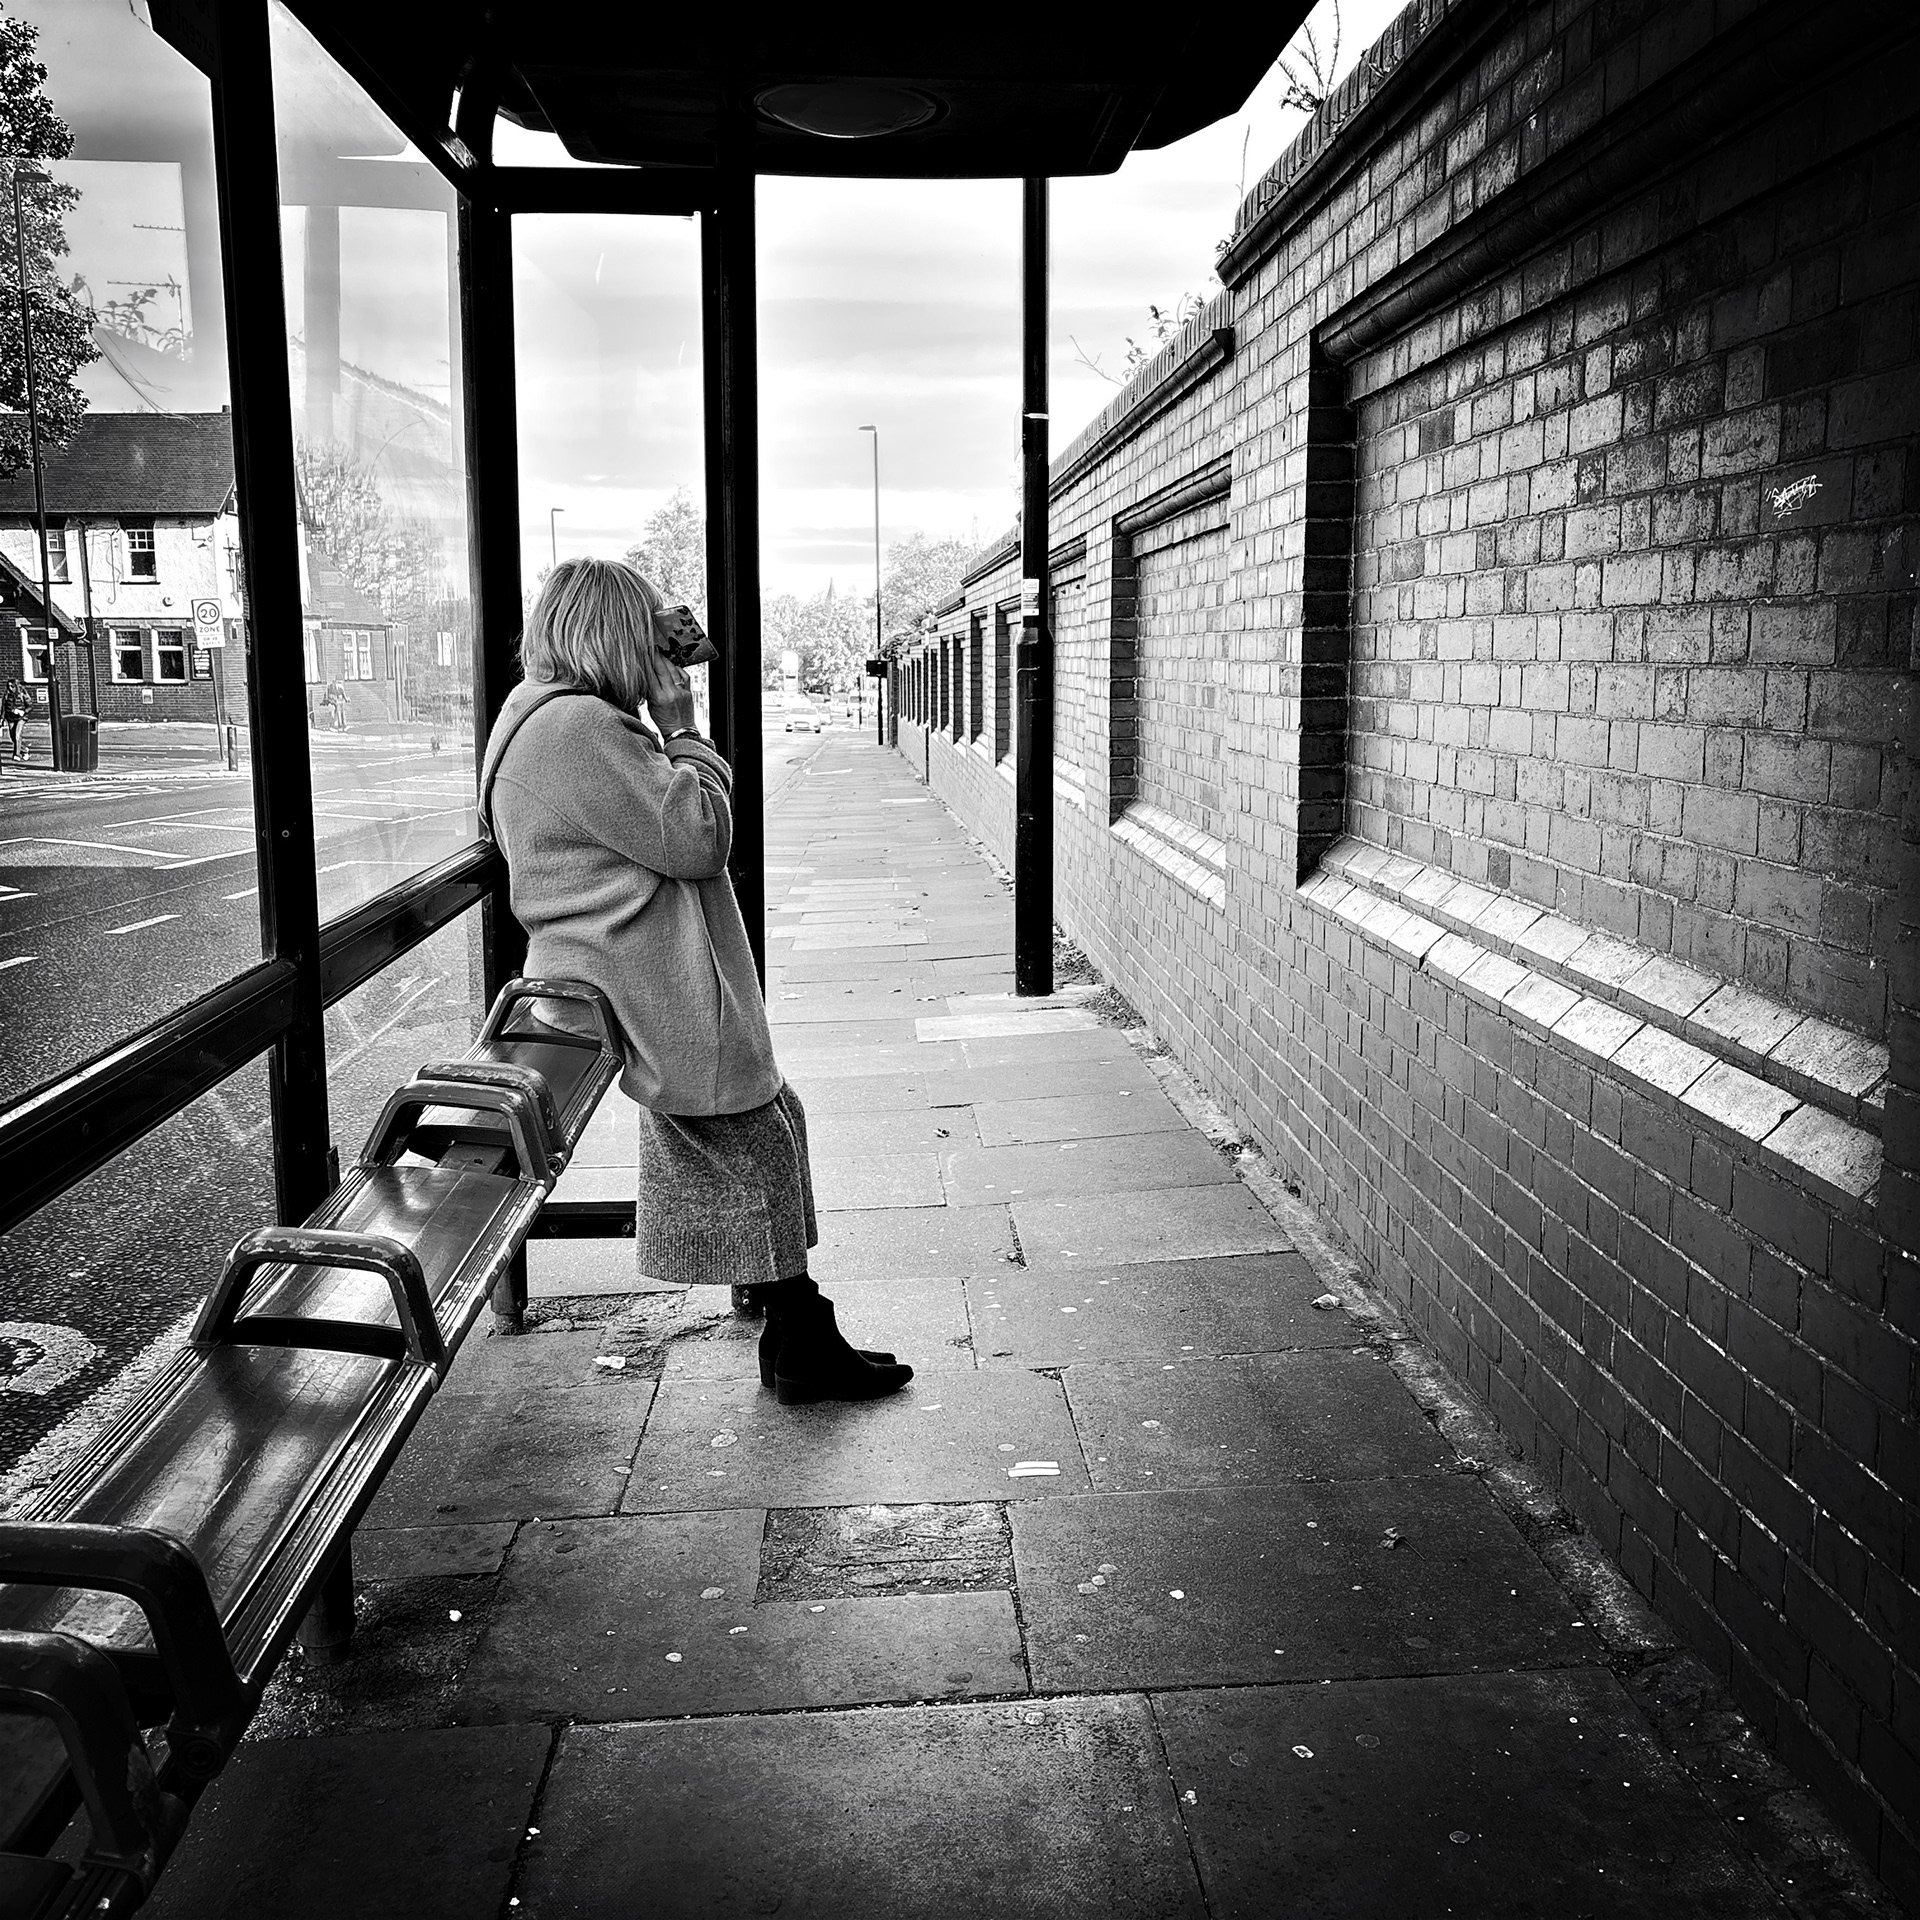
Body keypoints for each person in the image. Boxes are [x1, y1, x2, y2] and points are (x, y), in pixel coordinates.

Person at [479, 556, 911, 1406]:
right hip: (641, 974)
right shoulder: (579, 730)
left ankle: (798, 1326)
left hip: (625, 965)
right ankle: (800, 1337)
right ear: (609, 633)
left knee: (769, 1121)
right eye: (645, 628)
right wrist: (682, 731)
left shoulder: (551, 716)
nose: (660, 649)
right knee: (754, 1136)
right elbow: (700, 836)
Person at [3, 678, 26, 761]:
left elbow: (30, 705)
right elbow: (4, 708)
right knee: (13, 737)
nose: (10, 688)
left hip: (20, 717)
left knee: (17, 735)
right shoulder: (6, 695)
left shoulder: (22, 694)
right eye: (8, 686)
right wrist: (2, 718)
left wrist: (23, 711)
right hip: (10, 717)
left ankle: (17, 754)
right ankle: (24, 749)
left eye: (12, 686)